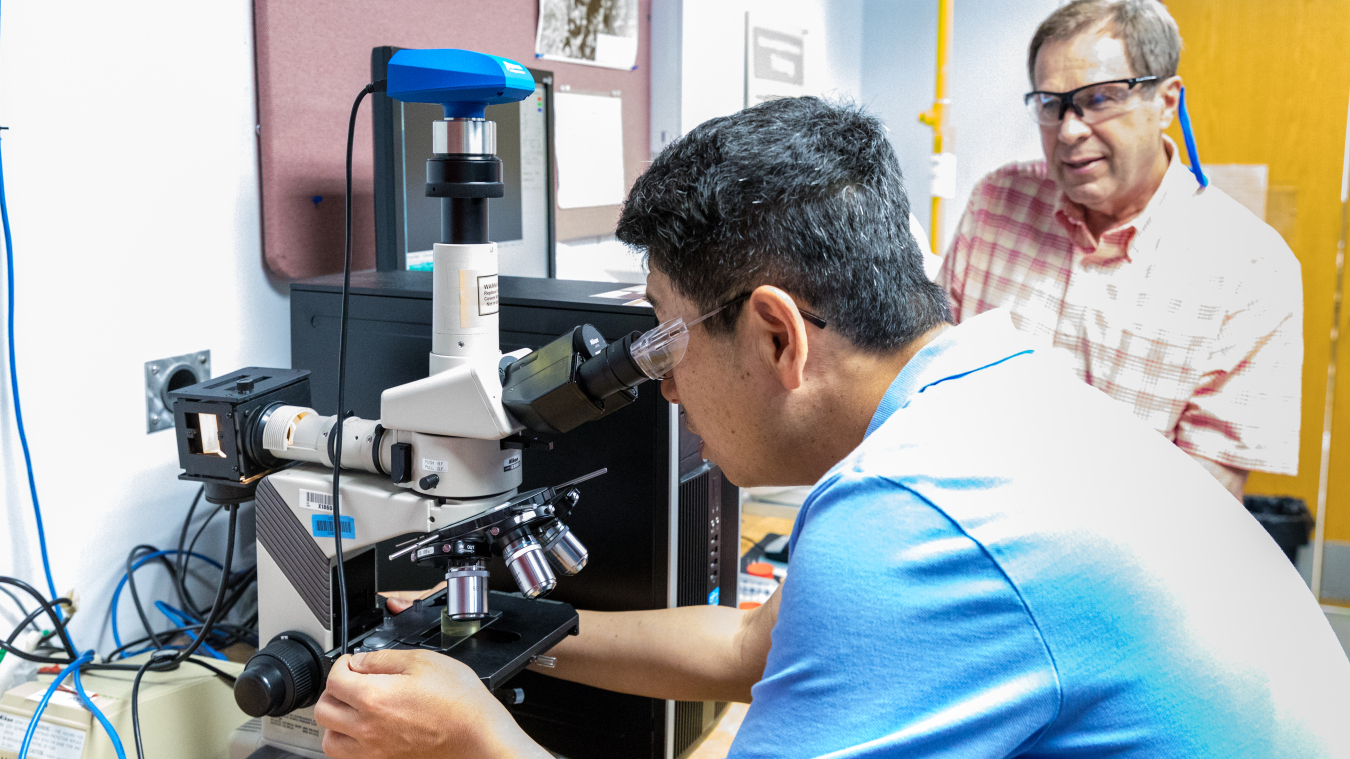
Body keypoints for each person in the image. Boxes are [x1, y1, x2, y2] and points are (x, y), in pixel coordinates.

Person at [312, 97, 1349, 759]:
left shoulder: (908, 513)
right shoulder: (1003, 389)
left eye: (669, 344)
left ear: (776, 335)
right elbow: (753, 645)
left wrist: (474, 742)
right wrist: (509, 640)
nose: (664, 391)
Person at [936, 0, 1303, 500]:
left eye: (1101, 98)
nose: (1069, 130)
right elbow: (932, 381)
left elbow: (1205, 502)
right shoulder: (997, 202)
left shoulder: (1252, 269)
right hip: (960, 523)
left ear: (1167, 103)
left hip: (1119, 565)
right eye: (1051, 103)